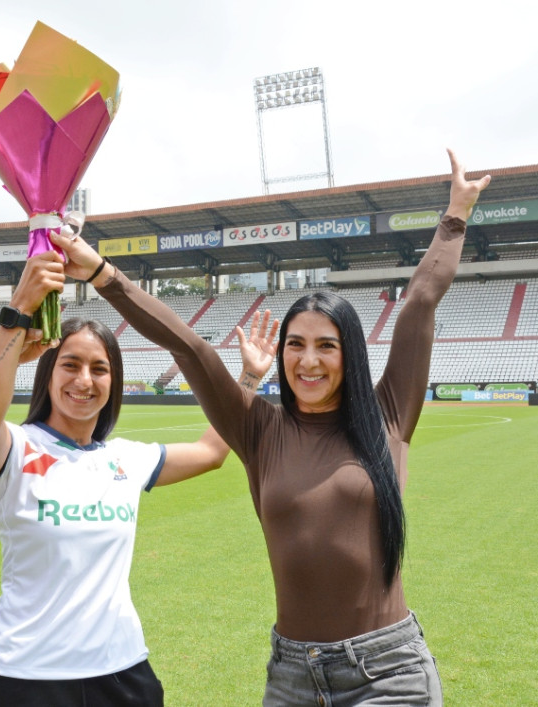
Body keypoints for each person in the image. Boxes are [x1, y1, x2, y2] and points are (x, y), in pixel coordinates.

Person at [49, 149, 491, 705]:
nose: (309, 361)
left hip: (388, 673)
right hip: (294, 677)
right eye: (296, 345)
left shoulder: (389, 415)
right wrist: (99, 273)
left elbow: (420, 302)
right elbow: (186, 344)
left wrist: (454, 217)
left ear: (348, 353)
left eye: (326, 346)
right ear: (281, 354)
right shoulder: (258, 428)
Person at [0, 255, 270, 706]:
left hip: (122, 672)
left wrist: (249, 377)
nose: (84, 380)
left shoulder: (126, 459)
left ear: (114, 381)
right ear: (49, 373)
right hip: (25, 676)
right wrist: (19, 312)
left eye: (100, 369)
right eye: (70, 365)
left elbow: (212, 452)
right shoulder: (16, 447)